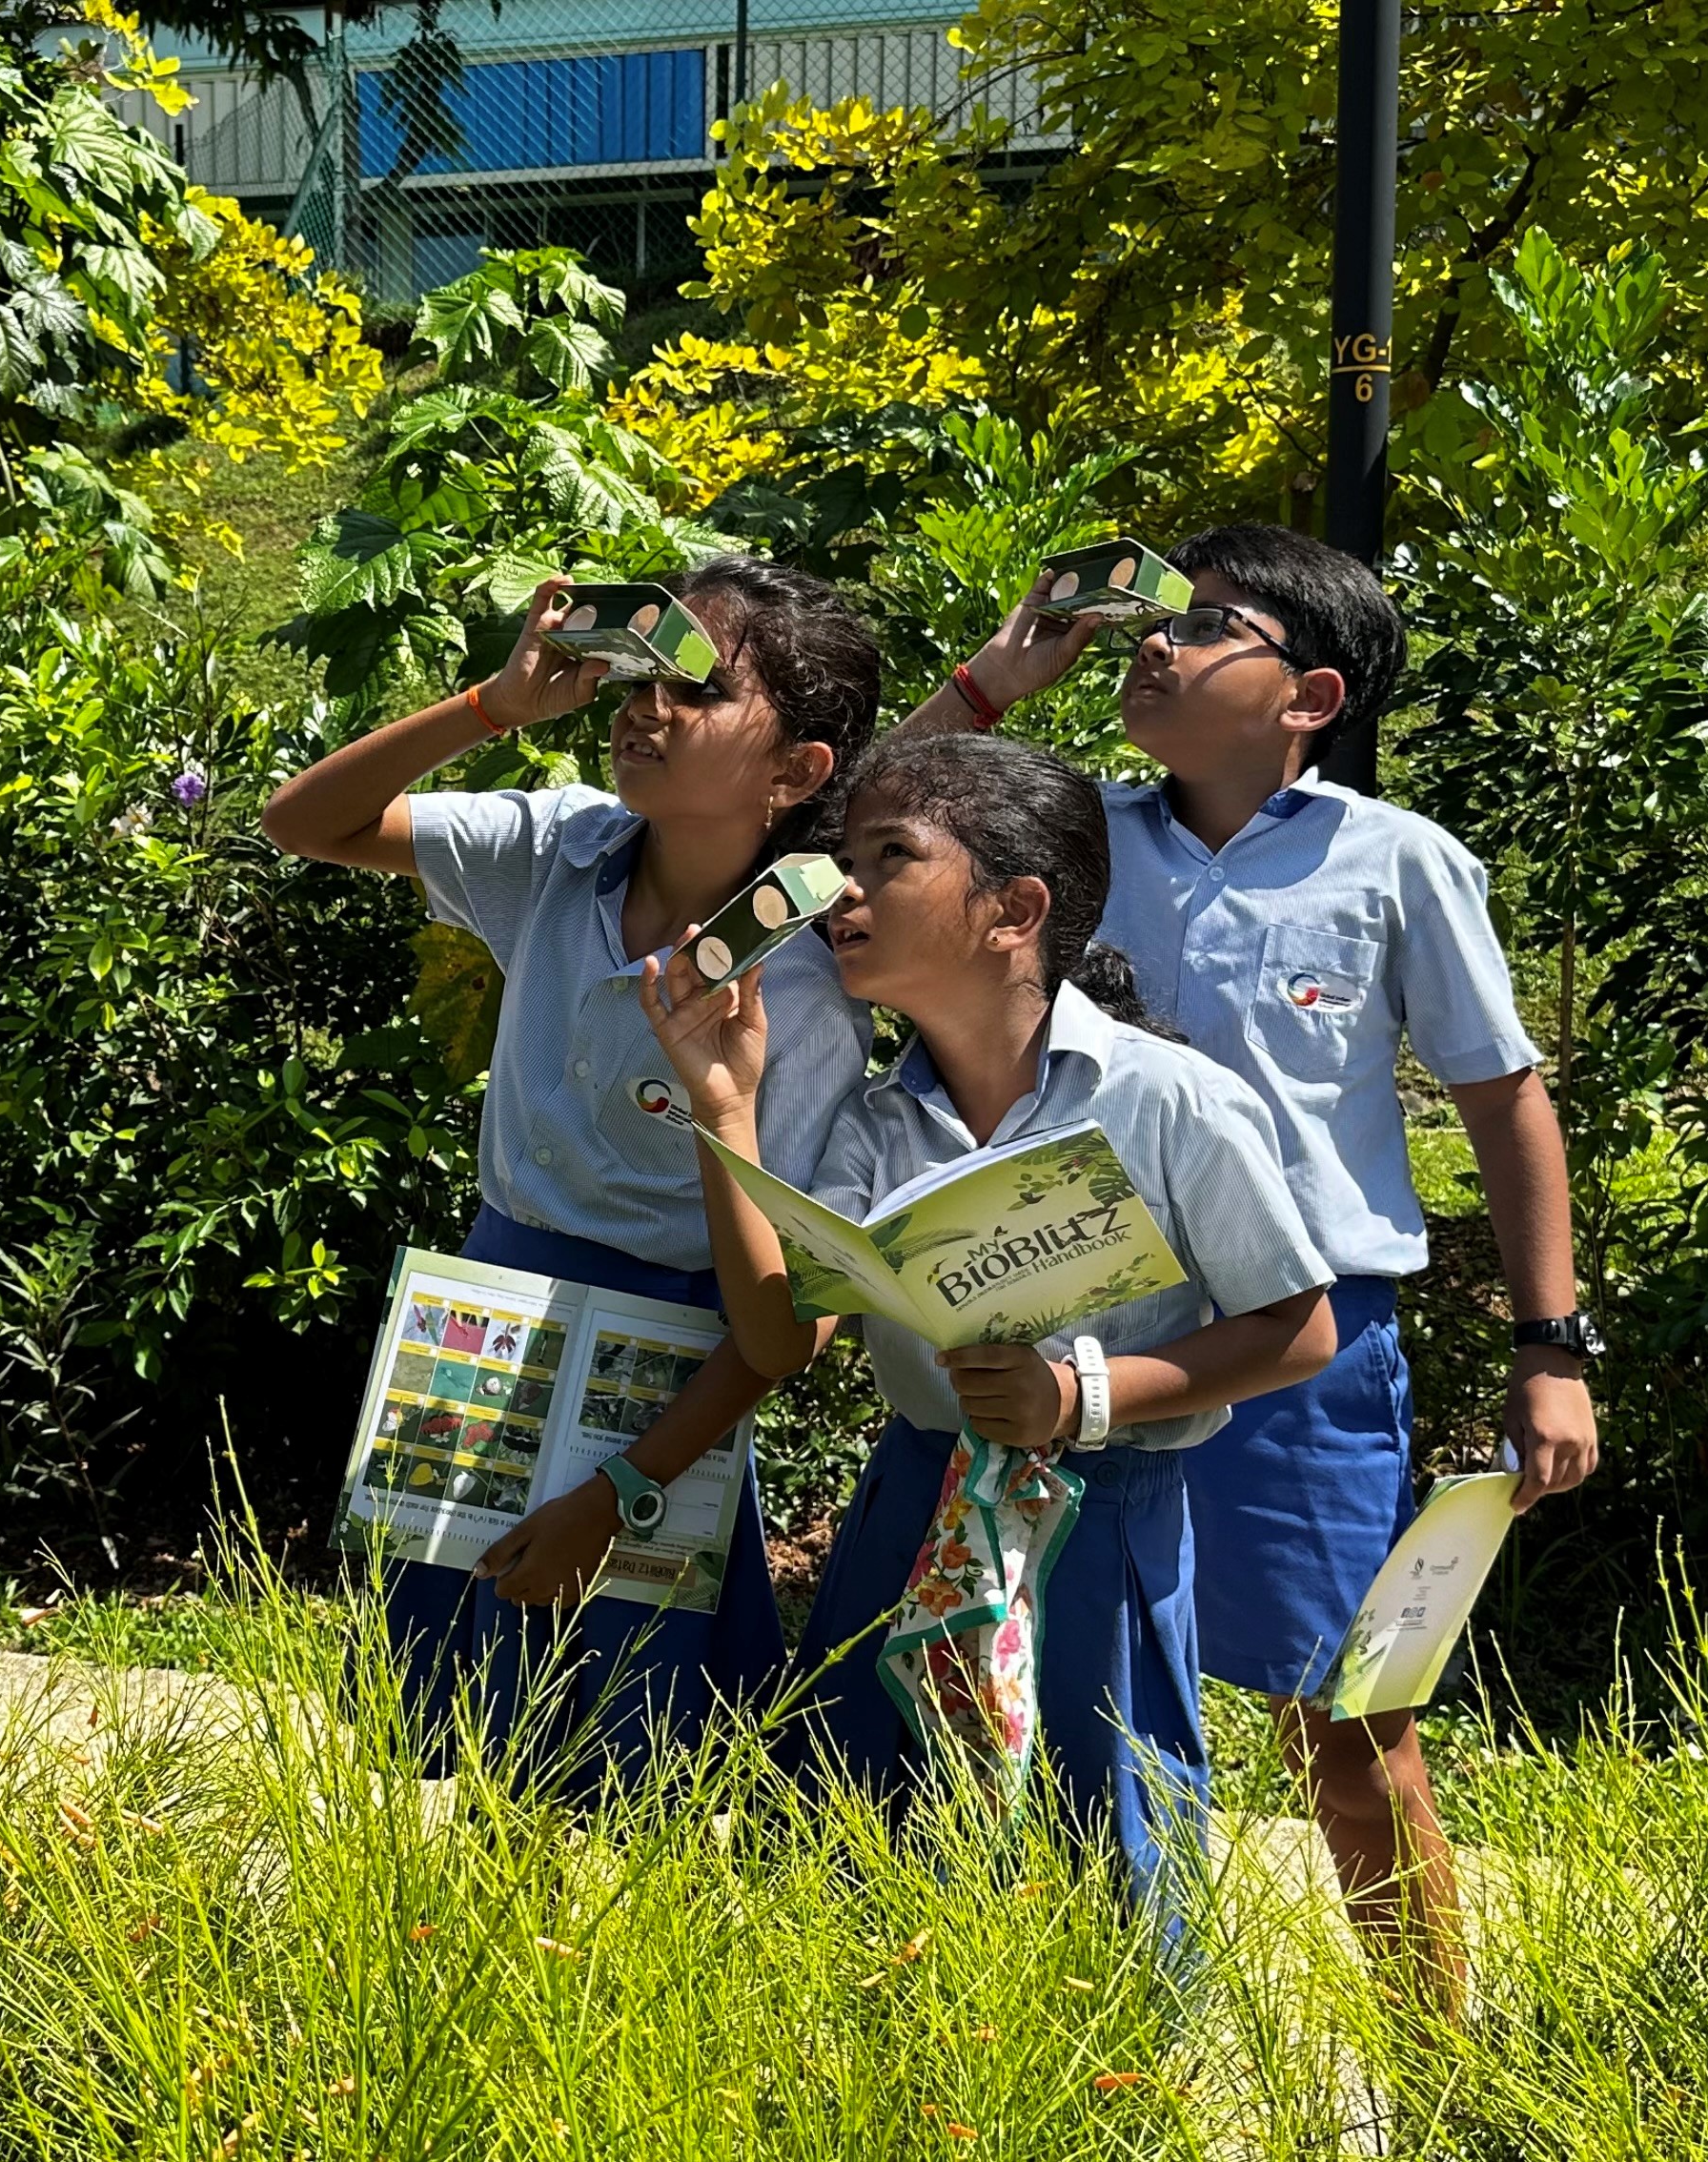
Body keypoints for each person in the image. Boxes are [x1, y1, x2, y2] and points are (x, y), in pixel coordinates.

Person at [902, 522, 1603, 2011]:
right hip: (1082, 1338)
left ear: (1312, 695)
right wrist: (992, 682)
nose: (1152, 643)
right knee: (1060, 1694)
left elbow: (1501, 1098)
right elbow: (866, 836)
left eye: (1207, 626)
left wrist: (1553, 1345)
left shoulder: (1397, 860)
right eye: (1153, 622)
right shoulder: (1073, 839)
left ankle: (1441, 2063)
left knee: (1350, 1726)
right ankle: (1088, 2021)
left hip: (1305, 1350)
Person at [645, 730, 1336, 1914]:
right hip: (910, 1496)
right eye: (840, 856)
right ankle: (878, 2071)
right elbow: (775, 1341)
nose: (841, 891)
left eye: (890, 856)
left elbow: (1297, 1329)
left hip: (1102, 1513)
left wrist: (1085, 1398)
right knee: (862, 1806)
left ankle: (1116, 2075)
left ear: (1015, 908)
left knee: (1105, 1807)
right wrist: (726, 1107)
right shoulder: (876, 1123)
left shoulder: (1168, 1101)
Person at [262, 558, 881, 1784]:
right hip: (495, 1315)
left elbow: (787, 1314)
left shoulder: (808, 988)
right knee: (440, 1720)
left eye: (698, 692)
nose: (645, 706)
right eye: (639, 674)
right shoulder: (559, 846)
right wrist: (490, 708)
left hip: (674, 1372)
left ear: (798, 773)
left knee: (620, 1744)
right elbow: (302, 823)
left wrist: (621, 1491)